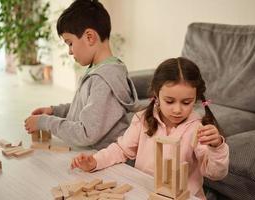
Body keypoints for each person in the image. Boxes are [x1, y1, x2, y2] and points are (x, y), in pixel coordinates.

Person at [70, 57, 229, 199]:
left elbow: (215, 174)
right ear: (156, 95)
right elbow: (121, 149)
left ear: (196, 98)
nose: (177, 110)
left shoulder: (199, 128)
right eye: (169, 101)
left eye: (186, 102)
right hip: (147, 193)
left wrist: (217, 147)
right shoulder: (142, 119)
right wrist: (95, 161)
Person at [24, 0, 138, 149]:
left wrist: (44, 122)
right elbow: (87, 107)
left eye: (70, 43)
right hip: (94, 157)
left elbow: (85, 133)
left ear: (89, 37)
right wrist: (55, 111)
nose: (70, 51)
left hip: (107, 163)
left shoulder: (104, 80)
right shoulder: (99, 70)